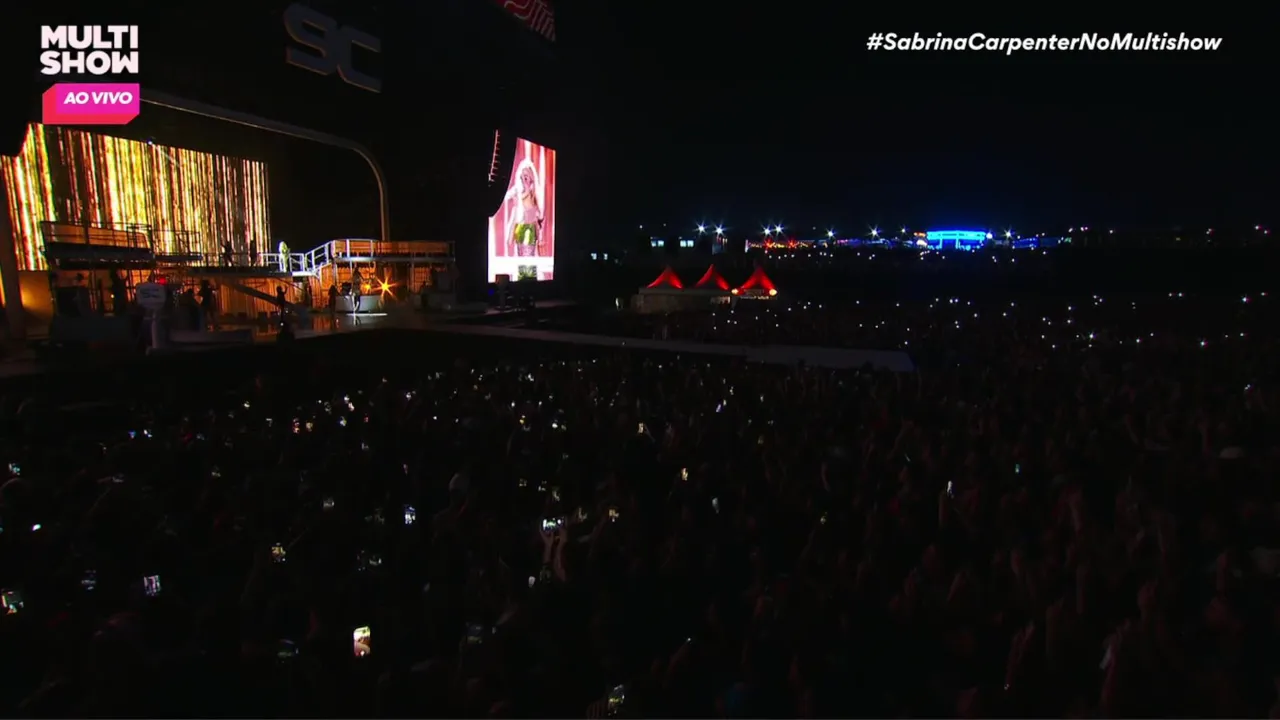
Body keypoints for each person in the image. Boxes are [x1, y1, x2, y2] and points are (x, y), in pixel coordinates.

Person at [504, 160, 544, 258]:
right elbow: (509, 241)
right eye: (521, 178)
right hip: (520, 264)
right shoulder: (517, 212)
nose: (522, 182)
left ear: (532, 183)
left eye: (525, 178)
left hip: (532, 264)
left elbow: (540, 248)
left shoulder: (536, 213)